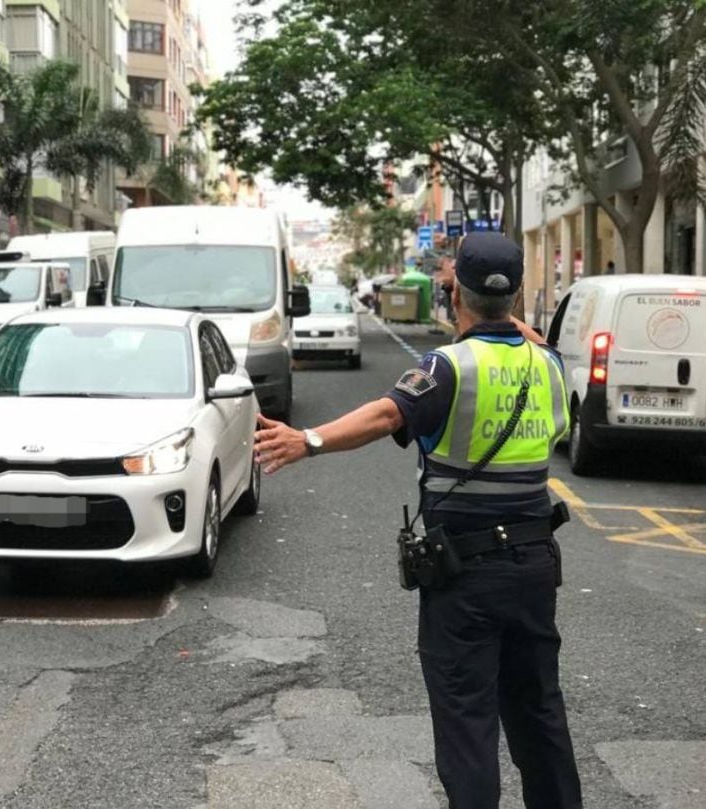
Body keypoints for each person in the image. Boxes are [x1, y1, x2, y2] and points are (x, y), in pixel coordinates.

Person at [254, 232, 583, 809]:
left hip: (467, 575)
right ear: (516, 295)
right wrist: (511, 319)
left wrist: (308, 439)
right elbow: (532, 347)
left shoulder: (449, 366)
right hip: (534, 566)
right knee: (539, 713)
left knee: (468, 723)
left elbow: (386, 414)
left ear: (456, 294)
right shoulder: (551, 366)